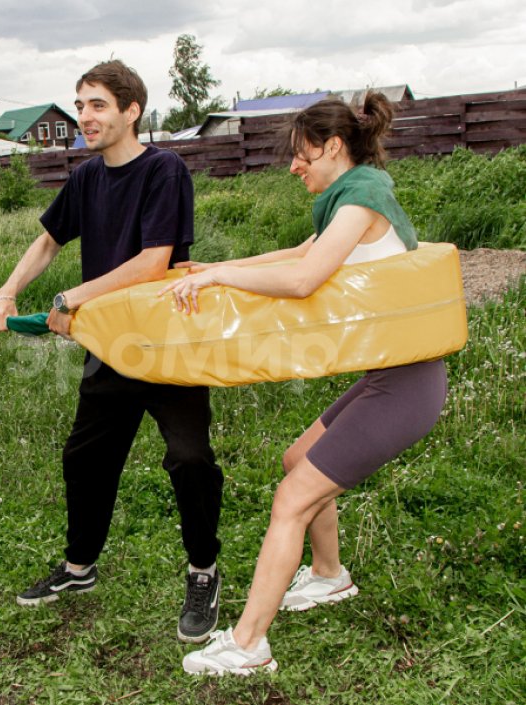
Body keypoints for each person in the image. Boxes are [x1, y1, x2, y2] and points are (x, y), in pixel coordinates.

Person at [163, 93, 448, 674]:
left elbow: (302, 279)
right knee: (298, 461)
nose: (294, 166)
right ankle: (328, 574)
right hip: (390, 376)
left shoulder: (362, 200)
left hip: (407, 385)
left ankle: (248, 645)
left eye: (301, 154)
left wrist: (222, 277)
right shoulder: (356, 198)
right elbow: (300, 252)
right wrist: (218, 270)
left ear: (333, 146)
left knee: (292, 499)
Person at [0, 60, 226, 643]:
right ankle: (79, 568)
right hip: (110, 348)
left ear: (130, 110)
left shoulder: (164, 169)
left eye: (97, 105)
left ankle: (203, 570)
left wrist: (72, 297)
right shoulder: (87, 177)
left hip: (166, 345)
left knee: (190, 459)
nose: (84, 117)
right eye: (80, 105)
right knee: (85, 458)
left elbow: (153, 262)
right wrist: (7, 291)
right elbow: (48, 241)